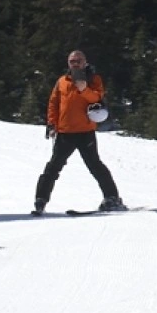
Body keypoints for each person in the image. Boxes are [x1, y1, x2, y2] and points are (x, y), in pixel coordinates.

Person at [32, 50, 125, 215]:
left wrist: (84, 89)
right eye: (72, 61)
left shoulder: (94, 79)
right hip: (64, 132)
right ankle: (40, 201)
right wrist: (52, 124)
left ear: (85, 62)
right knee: (53, 167)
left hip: (85, 132)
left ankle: (112, 197)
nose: (75, 64)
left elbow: (97, 98)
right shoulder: (62, 81)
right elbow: (53, 103)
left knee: (95, 166)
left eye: (78, 61)